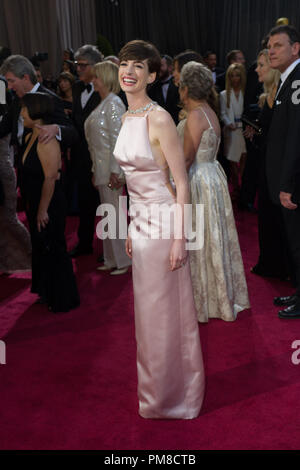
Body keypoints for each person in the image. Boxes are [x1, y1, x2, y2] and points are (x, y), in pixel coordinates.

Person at [114, 40, 205, 419]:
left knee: (167, 315)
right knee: (148, 317)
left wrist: (180, 239)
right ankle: (155, 395)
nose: (129, 71)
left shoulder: (160, 118)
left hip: (166, 224)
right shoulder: (125, 117)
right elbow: (132, 182)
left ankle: (176, 398)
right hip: (142, 224)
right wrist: (131, 228)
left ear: (152, 75)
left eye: (138, 66)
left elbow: (181, 183)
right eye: (124, 64)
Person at [177, 61, 249, 322]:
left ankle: (205, 301)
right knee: (211, 237)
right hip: (212, 176)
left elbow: (185, 159)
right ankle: (217, 294)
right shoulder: (209, 110)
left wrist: (172, 185)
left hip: (198, 178)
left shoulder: (195, 116)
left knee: (201, 238)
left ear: (185, 89)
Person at [20, 92, 80, 312]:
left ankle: (64, 299)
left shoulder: (47, 140)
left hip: (50, 202)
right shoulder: (29, 136)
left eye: (24, 109)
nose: (21, 113)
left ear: (35, 111)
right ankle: (47, 291)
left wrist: (43, 210)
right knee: (42, 248)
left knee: (54, 247)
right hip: (36, 200)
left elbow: (51, 177)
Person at [265, 25, 300, 319]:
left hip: (294, 183)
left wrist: (287, 183)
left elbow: (296, 137)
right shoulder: (288, 80)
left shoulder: (298, 80)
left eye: (278, 45)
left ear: (295, 48)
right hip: (287, 180)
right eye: (269, 46)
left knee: (299, 243)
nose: (271, 51)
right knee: (293, 242)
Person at [246, 50, 288, 279]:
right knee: (268, 217)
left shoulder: (281, 95)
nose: (257, 69)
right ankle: (271, 263)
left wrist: (259, 132)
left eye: (261, 65)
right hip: (266, 163)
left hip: (277, 167)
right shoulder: (269, 94)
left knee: (275, 218)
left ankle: (278, 266)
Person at [85, 61, 130, 275]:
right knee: (108, 215)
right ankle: (112, 258)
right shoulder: (104, 103)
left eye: (96, 77)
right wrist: (96, 170)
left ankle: (124, 260)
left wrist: (116, 170)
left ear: (106, 78)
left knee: (116, 215)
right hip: (102, 168)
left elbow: (119, 140)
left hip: (111, 169)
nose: (93, 80)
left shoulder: (113, 104)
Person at [0, 55, 78, 158]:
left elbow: (72, 133)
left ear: (25, 78)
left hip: (43, 165)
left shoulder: (50, 99)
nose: (9, 87)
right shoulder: (17, 100)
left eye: (11, 81)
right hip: (22, 163)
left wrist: (56, 129)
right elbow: (3, 126)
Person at [69, 44, 104, 258]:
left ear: (95, 66)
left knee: (108, 203)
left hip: (102, 154)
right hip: (81, 155)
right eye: (76, 65)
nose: (78, 69)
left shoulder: (107, 90)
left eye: (83, 65)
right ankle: (84, 244)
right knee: (84, 202)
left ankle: (111, 249)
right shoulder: (75, 88)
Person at [0, 76, 31, 273]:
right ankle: (6, 264)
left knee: (8, 218)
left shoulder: (7, 112)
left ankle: (33, 257)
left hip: (3, 173)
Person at [220, 63, 247, 199]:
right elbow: (223, 113)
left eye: (237, 75)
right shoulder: (224, 94)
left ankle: (240, 185)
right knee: (232, 160)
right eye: (232, 76)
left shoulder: (245, 93)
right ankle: (236, 186)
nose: (235, 78)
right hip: (232, 131)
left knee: (243, 157)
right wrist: (228, 123)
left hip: (243, 130)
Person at [148, 54, 180, 123]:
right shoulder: (152, 87)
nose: (158, 69)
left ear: (170, 67)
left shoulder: (178, 84)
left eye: (161, 65)